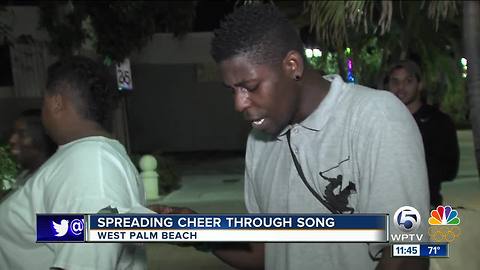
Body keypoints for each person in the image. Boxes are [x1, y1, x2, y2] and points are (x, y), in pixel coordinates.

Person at [154, 4, 430, 270]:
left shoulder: (376, 116)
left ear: (292, 65)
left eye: (250, 87)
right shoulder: (258, 142)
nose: (239, 104)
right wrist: (197, 232)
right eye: (232, 90)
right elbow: (266, 250)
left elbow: (406, 254)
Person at [0, 56, 147, 269]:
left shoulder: (89, 166)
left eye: (44, 100)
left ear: (56, 102)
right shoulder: (84, 160)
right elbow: (53, 232)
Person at [385, 60, 460, 207]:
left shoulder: (439, 121)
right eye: (395, 82)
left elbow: (449, 170)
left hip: (425, 204)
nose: (401, 87)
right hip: (385, 204)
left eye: (408, 81)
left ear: (420, 84)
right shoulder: (381, 119)